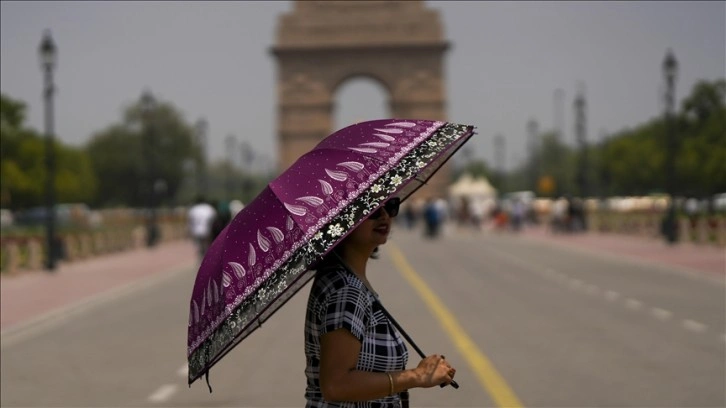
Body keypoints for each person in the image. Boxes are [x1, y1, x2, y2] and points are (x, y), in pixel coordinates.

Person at [304, 197, 457, 407]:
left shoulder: (349, 281)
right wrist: (416, 376)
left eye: (390, 206)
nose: (384, 215)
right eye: (371, 209)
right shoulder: (347, 291)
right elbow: (336, 385)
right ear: (340, 220)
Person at [187, 195, 217, 261]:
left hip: (196, 231)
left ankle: (201, 258)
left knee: (199, 247)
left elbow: (190, 221)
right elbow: (214, 219)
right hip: (207, 230)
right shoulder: (208, 208)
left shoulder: (193, 209)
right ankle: (206, 258)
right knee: (206, 246)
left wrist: (189, 231)